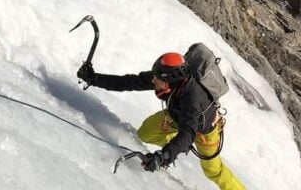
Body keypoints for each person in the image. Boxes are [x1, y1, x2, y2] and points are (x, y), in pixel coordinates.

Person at [78, 52, 246, 190]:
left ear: (171, 80)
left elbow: (188, 134)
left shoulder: (193, 99)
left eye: (157, 79)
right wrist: (94, 79)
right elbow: (129, 82)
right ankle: (174, 149)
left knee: (213, 171)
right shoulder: (167, 77)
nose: (153, 80)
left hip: (203, 131)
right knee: (146, 132)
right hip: (177, 116)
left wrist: (163, 157)